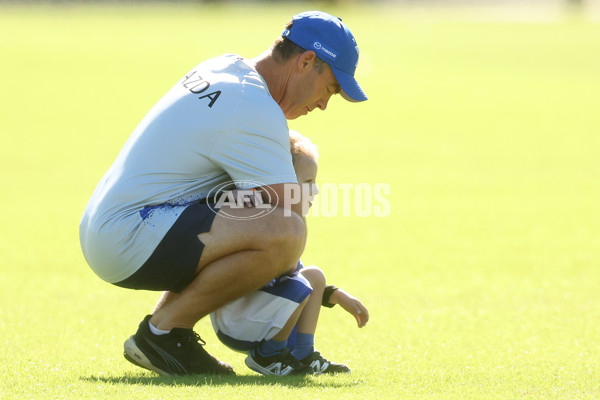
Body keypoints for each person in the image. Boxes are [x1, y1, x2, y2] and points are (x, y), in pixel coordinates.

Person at [79, 11, 367, 377]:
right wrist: (320, 290)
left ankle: (168, 332)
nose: (325, 104)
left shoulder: (226, 67)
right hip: (127, 234)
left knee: (262, 215)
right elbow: (282, 222)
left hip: (113, 224)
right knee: (287, 229)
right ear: (307, 61)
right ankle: (162, 333)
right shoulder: (253, 106)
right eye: (330, 88)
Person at [211, 130, 370, 376]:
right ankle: (268, 355)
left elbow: (296, 276)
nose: (315, 191)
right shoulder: (257, 218)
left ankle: (303, 355)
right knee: (303, 283)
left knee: (313, 276)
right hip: (236, 320)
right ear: (278, 182)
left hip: (259, 312)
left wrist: (335, 295)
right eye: (307, 183)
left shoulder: (284, 221)